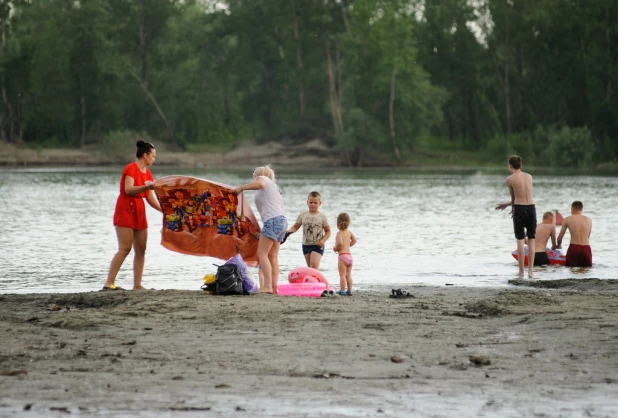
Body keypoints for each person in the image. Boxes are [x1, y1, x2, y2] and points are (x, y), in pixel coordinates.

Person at [103, 140, 162, 291]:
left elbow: (149, 197)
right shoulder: (131, 168)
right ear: (145, 155)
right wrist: (147, 186)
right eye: (153, 156)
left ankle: (137, 285)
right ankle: (109, 283)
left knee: (141, 248)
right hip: (125, 208)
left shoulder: (148, 173)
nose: (154, 159)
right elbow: (129, 189)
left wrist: (163, 210)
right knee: (125, 248)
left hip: (139, 210)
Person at [234, 165, 287, 294]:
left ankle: (267, 287)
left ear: (258, 174)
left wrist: (241, 188)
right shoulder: (274, 188)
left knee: (262, 254)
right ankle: (274, 287)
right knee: (272, 256)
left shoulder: (263, 179)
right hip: (281, 221)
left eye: (255, 175)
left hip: (273, 221)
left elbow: (260, 184)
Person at [496, 155, 536, 278]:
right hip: (531, 208)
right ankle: (530, 272)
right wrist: (509, 205)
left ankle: (521, 272)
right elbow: (525, 194)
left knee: (520, 240)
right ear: (521, 165)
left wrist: (510, 207)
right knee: (531, 240)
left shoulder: (509, 180)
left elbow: (514, 199)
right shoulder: (529, 176)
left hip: (519, 209)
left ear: (510, 166)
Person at [285, 191, 331, 270]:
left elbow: (328, 231)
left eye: (315, 203)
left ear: (320, 203)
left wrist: (323, 241)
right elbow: (296, 227)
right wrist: (288, 231)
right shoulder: (303, 215)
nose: (313, 204)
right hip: (306, 245)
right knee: (310, 268)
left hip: (317, 245)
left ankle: (318, 282)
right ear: (307, 202)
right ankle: (311, 282)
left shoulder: (322, 217)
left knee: (314, 266)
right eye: (311, 202)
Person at [557, 201, 593, 267]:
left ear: (572, 209)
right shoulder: (589, 220)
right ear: (582, 209)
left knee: (571, 271)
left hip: (574, 248)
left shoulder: (567, 219)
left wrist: (558, 246)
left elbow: (559, 238)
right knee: (586, 271)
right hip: (586, 248)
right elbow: (588, 237)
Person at [333, 213, 356, 296]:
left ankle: (342, 290)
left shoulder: (339, 233)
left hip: (342, 257)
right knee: (348, 275)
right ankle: (349, 290)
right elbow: (354, 240)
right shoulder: (349, 232)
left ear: (338, 224)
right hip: (349, 256)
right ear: (348, 223)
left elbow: (339, 243)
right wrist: (348, 245)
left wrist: (336, 248)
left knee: (342, 275)